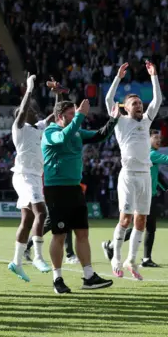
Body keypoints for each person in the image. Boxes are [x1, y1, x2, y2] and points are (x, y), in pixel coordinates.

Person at [42, 96, 117, 294]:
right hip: (56, 189)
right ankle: (57, 279)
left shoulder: (76, 131)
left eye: (75, 114)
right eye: (70, 114)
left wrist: (114, 119)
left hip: (75, 188)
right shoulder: (50, 131)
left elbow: (99, 135)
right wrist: (81, 116)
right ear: (59, 116)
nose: (74, 117)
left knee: (82, 233)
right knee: (59, 235)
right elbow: (62, 138)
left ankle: (89, 276)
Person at [102, 61, 162, 279]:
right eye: (134, 103)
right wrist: (118, 77)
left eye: (140, 103)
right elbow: (109, 100)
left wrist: (154, 76)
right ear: (125, 107)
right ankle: (116, 258)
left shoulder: (145, 122)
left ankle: (131, 260)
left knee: (142, 221)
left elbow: (158, 100)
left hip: (145, 176)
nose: (139, 106)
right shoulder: (120, 122)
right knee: (125, 219)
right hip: (128, 176)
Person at [8, 74, 53, 282]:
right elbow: (24, 109)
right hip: (23, 176)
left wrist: (58, 95)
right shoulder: (19, 129)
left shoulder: (39, 127)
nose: (35, 113)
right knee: (41, 212)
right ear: (23, 115)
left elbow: (55, 116)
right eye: (31, 111)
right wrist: (29, 89)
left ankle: (16, 262)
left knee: (27, 220)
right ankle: (38, 256)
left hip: (35, 176)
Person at [103, 130, 168, 267]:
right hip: (144, 195)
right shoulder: (150, 154)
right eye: (155, 137)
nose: (158, 140)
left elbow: (155, 175)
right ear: (148, 139)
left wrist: (164, 187)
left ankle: (141, 257)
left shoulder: (149, 154)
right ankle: (139, 257)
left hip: (151, 194)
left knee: (147, 226)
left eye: (160, 138)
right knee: (143, 226)